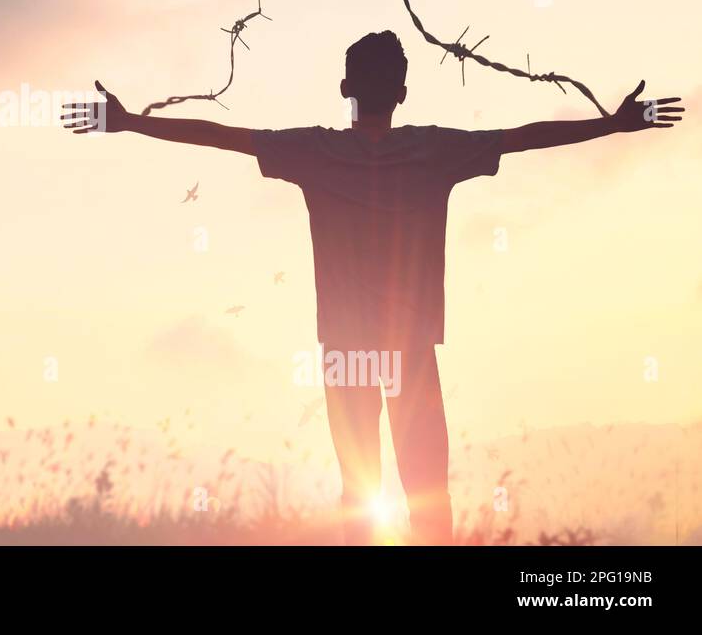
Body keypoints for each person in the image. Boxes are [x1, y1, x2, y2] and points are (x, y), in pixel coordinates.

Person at [60, 30, 684, 544]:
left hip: (346, 351)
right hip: (410, 351)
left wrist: (131, 123)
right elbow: (526, 137)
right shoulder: (436, 151)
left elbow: (220, 137)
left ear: (344, 90)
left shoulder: (312, 152)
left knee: (359, 499)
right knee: (428, 503)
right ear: (403, 93)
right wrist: (612, 126)